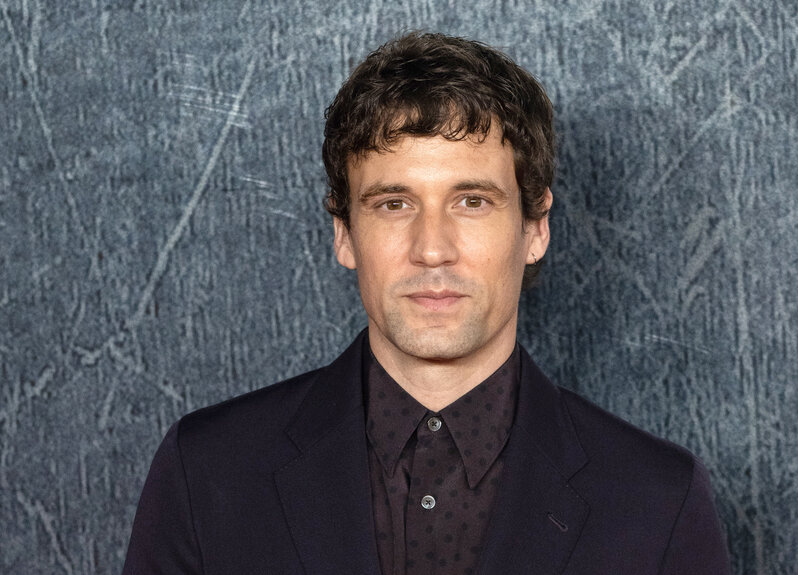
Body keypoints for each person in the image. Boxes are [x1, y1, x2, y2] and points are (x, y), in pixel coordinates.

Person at [122, 32, 731, 574]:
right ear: (343, 233)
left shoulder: (659, 502)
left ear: (536, 227)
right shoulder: (206, 474)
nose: (432, 249)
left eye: (472, 201)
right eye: (394, 204)